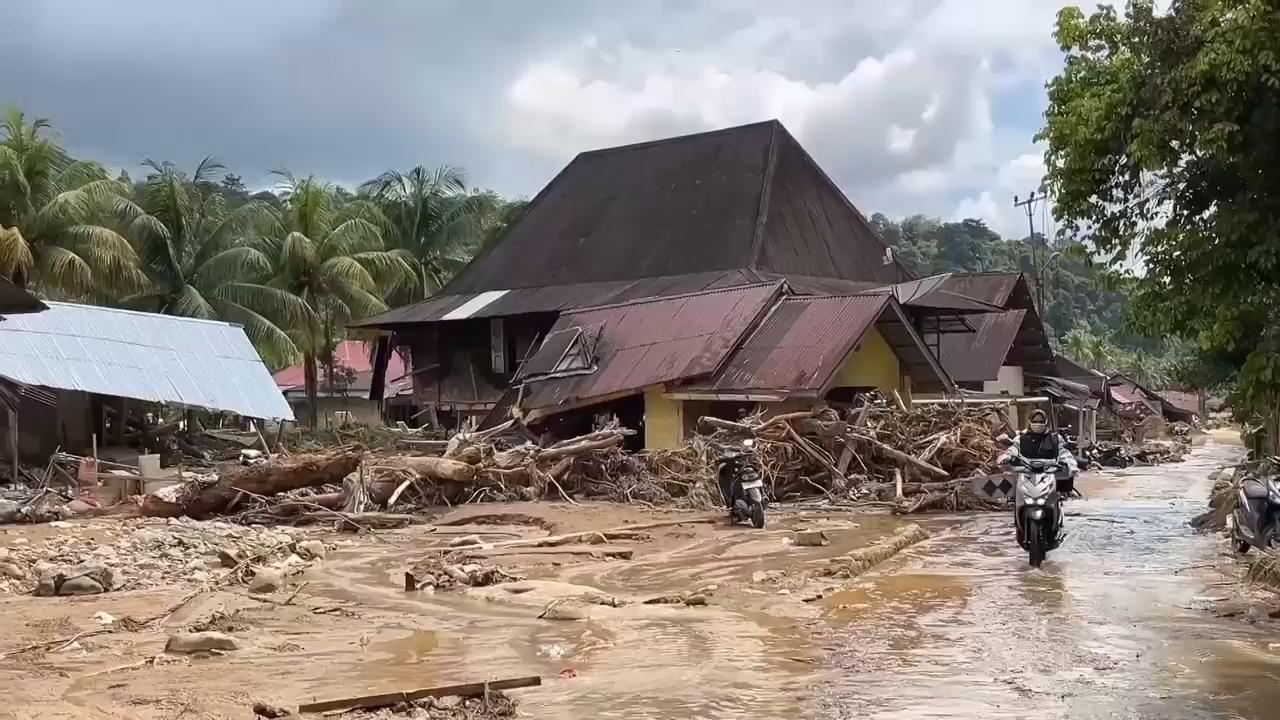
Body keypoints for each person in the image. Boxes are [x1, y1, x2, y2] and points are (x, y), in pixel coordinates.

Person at [999, 409, 1078, 492]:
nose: (1038, 424)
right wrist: (1005, 457)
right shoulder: (1021, 437)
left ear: (1046, 422)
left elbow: (1064, 453)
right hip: (1026, 477)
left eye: (1041, 421)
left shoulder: (1055, 438)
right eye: (1035, 421)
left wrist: (1071, 465)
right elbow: (1013, 449)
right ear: (1030, 421)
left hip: (1048, 478)